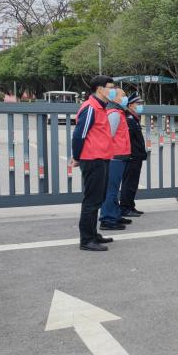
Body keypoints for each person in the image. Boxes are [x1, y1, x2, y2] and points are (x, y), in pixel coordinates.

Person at [70, 76, 116, 251]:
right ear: (99, 89)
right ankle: (86, 240)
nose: (113, 91)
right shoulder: (90, 107)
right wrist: (77, 156)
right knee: (92, 200)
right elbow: (79, 135)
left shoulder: (101, 107)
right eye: (110, 87)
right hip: (92, 159)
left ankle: (93, 234)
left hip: (101, 158)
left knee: (98, 198)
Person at [99, 89, 132, 231]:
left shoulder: (118, 112)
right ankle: (107, 219)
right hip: (115, 157)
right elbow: (108, 136)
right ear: (114, 98)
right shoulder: (114, 114)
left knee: (113, 189)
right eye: (123, 95)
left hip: (119, 156)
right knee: (111, 190)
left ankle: (115, 215)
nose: (126, 98)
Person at [119, 93, 148, 217]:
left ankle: (130, 206)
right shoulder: (129, 120)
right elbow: (129, 140)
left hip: (136, 156)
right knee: (129, 183)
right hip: (132, 156)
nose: (140, 105)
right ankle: (125, 208)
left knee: (133, 183)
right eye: (138, 103)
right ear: (130, 105)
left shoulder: (134, 119)